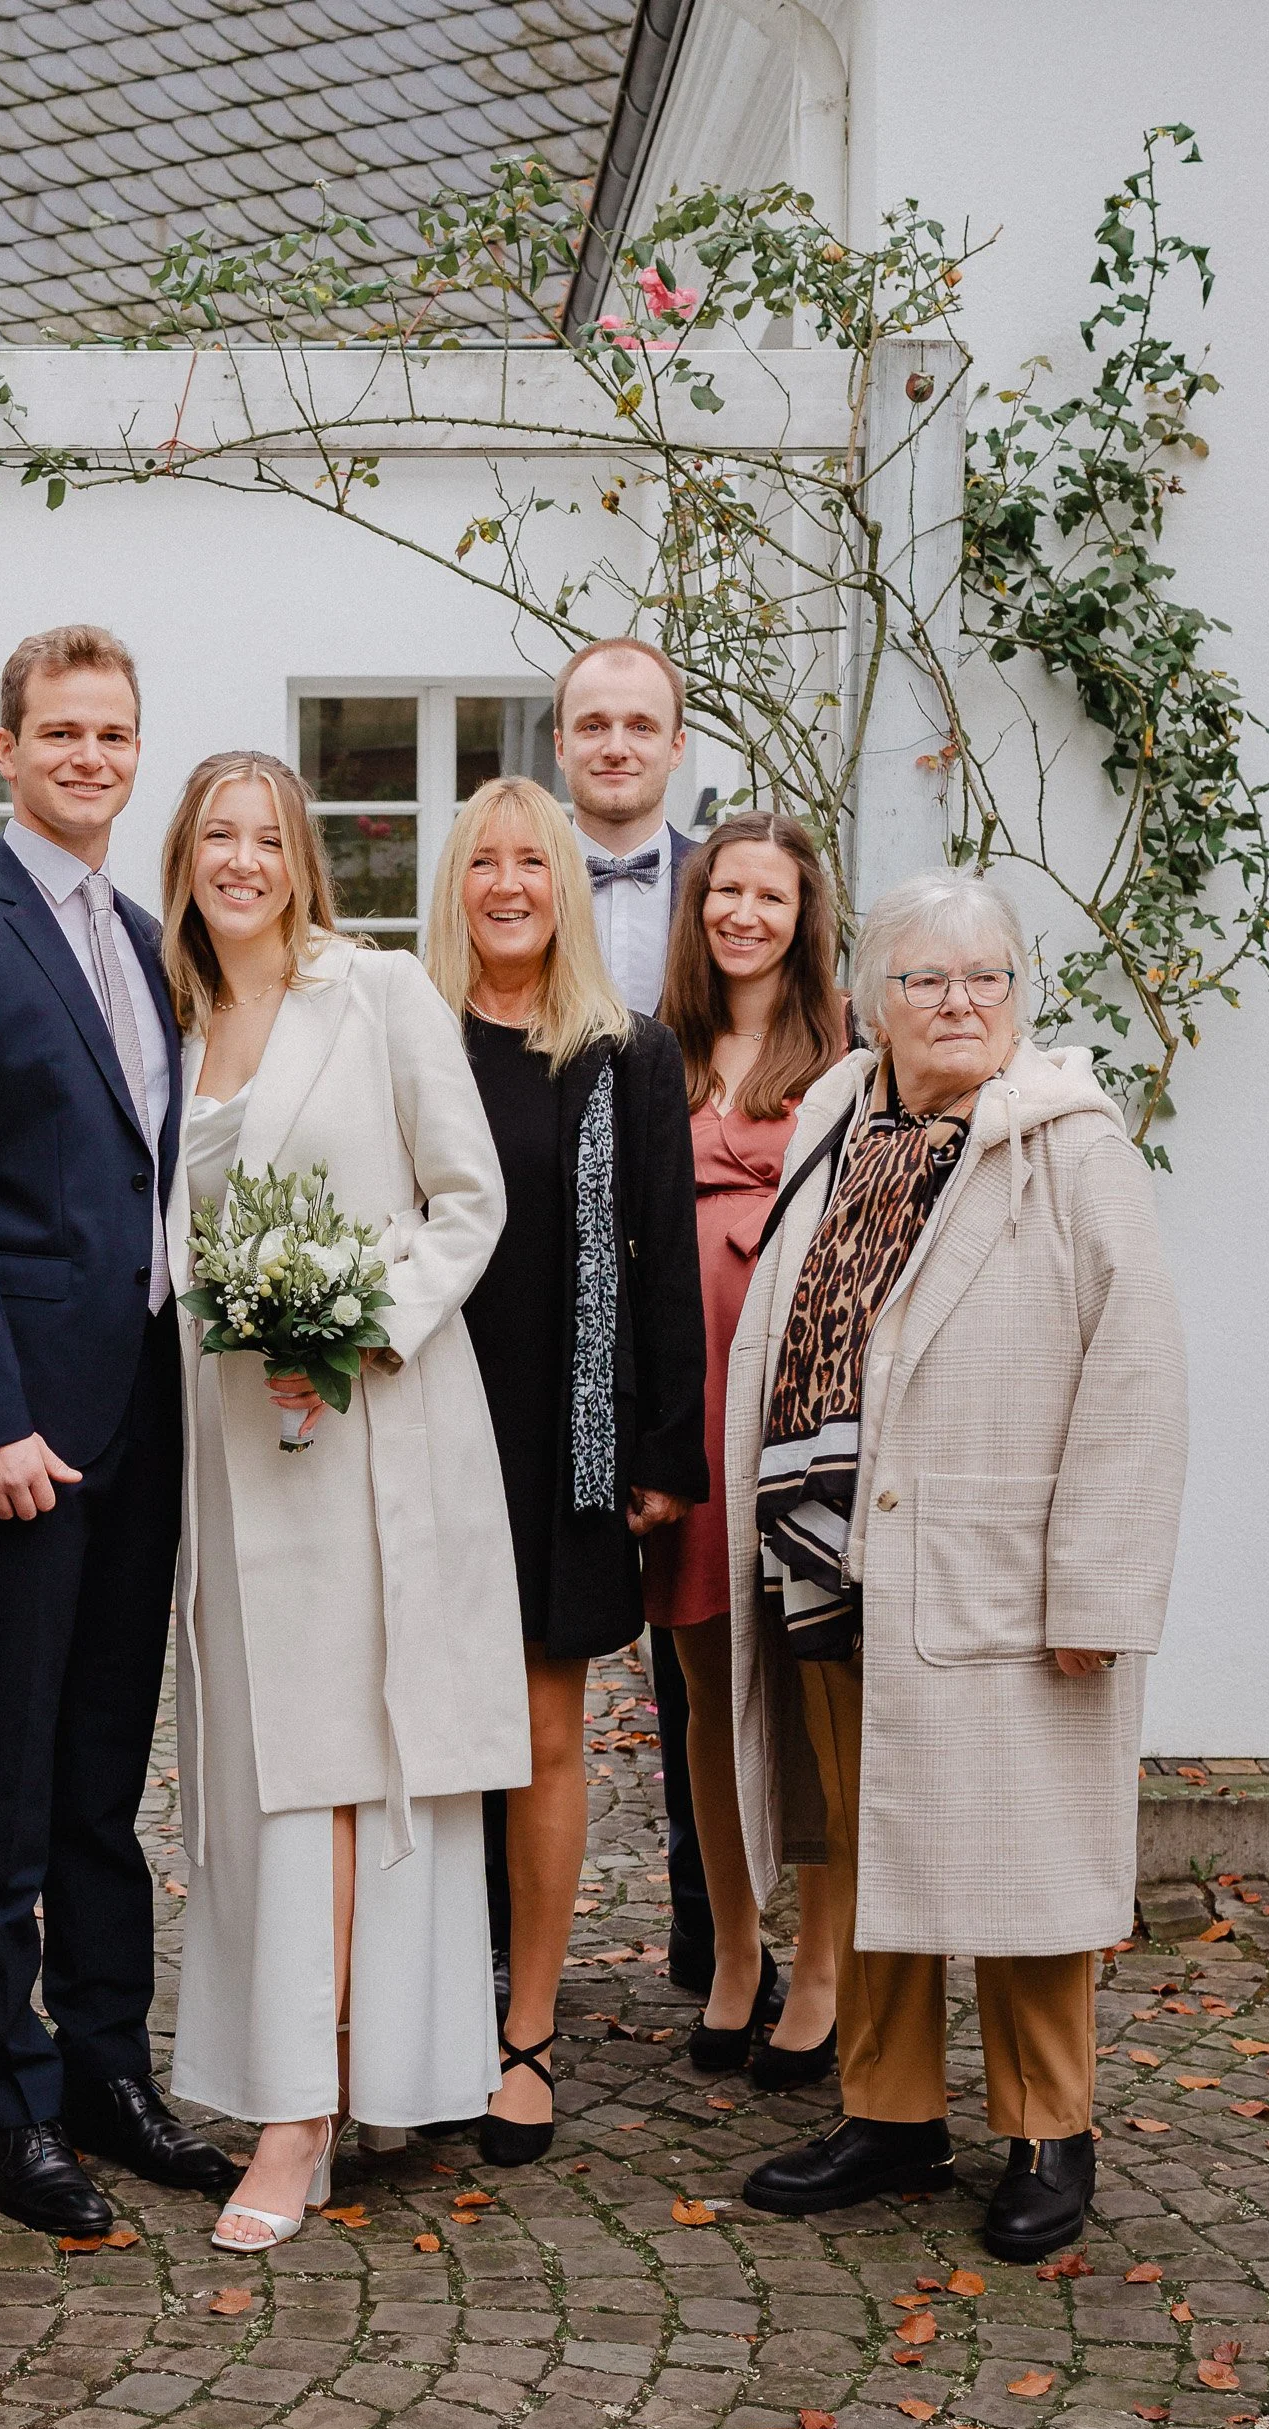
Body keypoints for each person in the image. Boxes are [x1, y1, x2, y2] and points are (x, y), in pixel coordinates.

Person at [729, 873, 1187, 2261]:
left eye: (986, 977)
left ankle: (1052, 2133)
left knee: (1024, 1858)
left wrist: (1095, 1590)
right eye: (925, 979)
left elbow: (1139, 1378)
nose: (958, 1002)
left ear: (1019, 996)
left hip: (998, 1571)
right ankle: (892, 2116)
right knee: (872, 1845)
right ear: (872, 1003)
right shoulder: (836, 1121)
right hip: (832, 1556)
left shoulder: (1071, 1148)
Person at [0, 626, 232, 2235]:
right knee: (1, 1786)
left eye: (114, 734)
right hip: (18, 1437)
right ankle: (3, 2112)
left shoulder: (153, 941)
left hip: (144, 1415)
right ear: (4, 749)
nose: (90, 757)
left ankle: (105, 2069)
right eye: (61, 733)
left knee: (99, 1778)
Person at [163, 753, 530, 2247]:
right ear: (185, 856)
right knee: (261, 1771)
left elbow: (469, 1197)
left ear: (302, 858)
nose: (241, 860)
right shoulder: (168, 1015)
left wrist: (357, 1326)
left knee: (338, 1765)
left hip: (365, 1424)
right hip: (224, 1441)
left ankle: (301, 2114)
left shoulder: (376, 993)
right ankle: (314, 2071)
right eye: (217, 835)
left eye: (268, 837)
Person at [425, 776, 705, 2169]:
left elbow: (665, 1253)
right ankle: (423, 2019)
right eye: (485, 862)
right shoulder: (408, 1036)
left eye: (533, 861)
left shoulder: (625, 1053)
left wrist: (662, 1450)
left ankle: (526, 2034)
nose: (509, 884)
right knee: (426, 1741)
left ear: (566, 886)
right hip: (425, 1427)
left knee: (543, 1737)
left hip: (565, 1436)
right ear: (455, 885)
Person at [643, 815, 847, 2086]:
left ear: (802, 915)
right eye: (726, 891)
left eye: (770, 897)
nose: (743, 915)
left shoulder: (847, 1058)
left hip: (794, 1401)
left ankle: (821, 1966)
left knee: (813, 1694)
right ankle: (732, 1950)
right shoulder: (651, 1052)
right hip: (686, 1398)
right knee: (705, 1697)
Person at [544, 639, 717, 1994]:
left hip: (692, 1288)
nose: (615, 745)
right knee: (530, 1650)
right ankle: (504, 1948)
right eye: (591, 723)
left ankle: (718, 1932)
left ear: (675, 745)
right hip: (539, 1308)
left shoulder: (732, 889)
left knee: (702, 1652)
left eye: (638, 724)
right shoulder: (507, 880)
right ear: (560, 744)